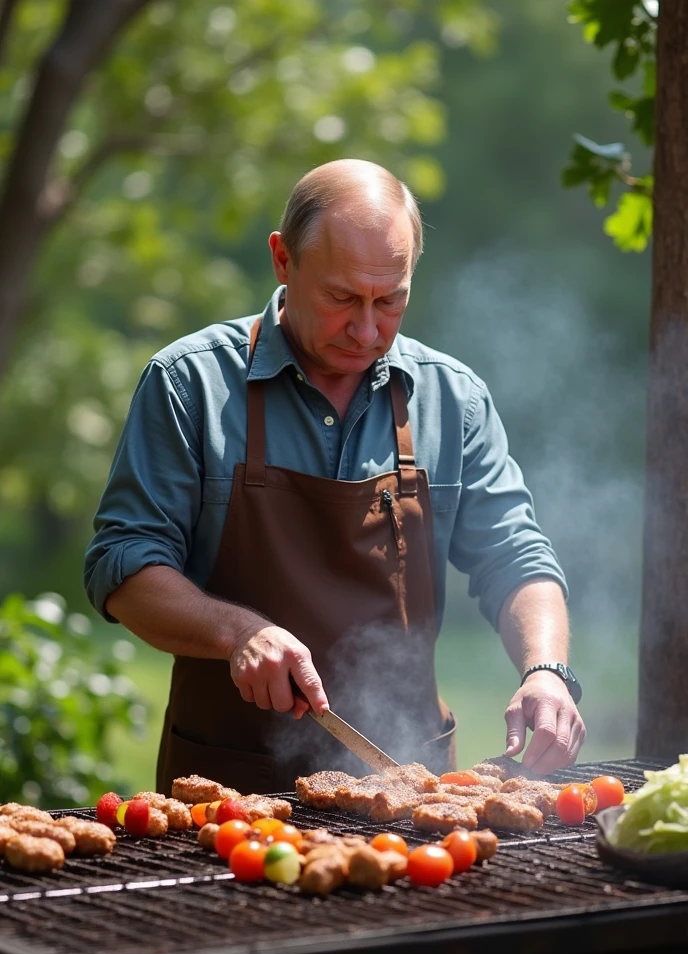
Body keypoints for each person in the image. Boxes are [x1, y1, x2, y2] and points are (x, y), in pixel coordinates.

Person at [84, 158, 586, 795]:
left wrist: (545, 669)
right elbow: (122, 564)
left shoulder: (452, 400)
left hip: (405, 782)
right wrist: (238, 631)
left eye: (390, 300)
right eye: (342, 297)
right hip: (228, 790)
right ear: (283, 261)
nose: (368, 328)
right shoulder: (191, 384)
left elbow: (515, 558)